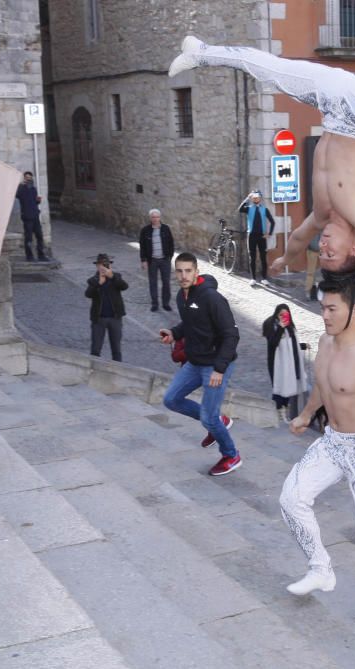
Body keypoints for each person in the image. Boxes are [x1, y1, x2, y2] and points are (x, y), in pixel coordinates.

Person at [171, 39, 355, 369]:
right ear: (353, 250)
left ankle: (200, 52)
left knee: (270, 70)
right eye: (331, 252)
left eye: (323, 254)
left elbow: (297, 239)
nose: (324, 247)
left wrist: (283, 261)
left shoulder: (322, 214)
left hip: (330, 103)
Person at [279, 278, 355, 624]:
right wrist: (305, 414)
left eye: (333, 309)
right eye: (323, 307)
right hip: (333, 442)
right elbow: (324, 384)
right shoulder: (324, 342)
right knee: (291, 498)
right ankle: (321, 568)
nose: (325, 315)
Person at [160, 253, 241, 477]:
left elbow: (231, 335)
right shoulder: (182, 297)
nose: (183, 275)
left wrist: (219, 369)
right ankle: (220, 421)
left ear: (196, 271)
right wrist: (174, 333)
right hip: (195, 362)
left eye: (188, 271)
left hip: (215, 365)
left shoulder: (212, 298)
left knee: (208, 417)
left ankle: (231, 454)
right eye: (179, 271)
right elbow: (189, 324)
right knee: (171, 399)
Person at [263, 303, 307, 425]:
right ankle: (278, 412)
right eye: (281, 314)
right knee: (279, 387)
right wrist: (281, 328)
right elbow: (272, 343)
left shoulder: (290, 327)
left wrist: (302, 346)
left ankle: (284, 410)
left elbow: (292, 344)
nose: (283, 316)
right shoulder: (270, 324)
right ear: (277, 314)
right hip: (277, 363)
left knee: (289, 386)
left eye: (285, 314)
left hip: (291, 363)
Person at [85, 253, 127, 362]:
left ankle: (118, 371)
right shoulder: (93, 280)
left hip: (115, 318)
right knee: (95, 350)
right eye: (101, 265)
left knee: (116, 350)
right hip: (99, 319)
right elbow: (88, 294)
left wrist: (112, 276)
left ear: (109, 265)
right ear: (97, 266)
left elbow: (124, 286)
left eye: (105, 264)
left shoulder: (116, 277)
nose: (103, 267)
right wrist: (99, 283)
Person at [139, 208, 176, 312]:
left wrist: (169, 257)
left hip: (165, 260)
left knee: (166, 282)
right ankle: (155, 304)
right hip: (152, 261)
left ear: (160, 217)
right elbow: (142, 247)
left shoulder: (165, 229)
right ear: (150, 218)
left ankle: (166, 303)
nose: (155, 219)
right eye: (153, 217)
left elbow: (171, 243)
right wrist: (143, 260)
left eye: (157, 217)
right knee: (153, 282)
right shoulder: (145, 230)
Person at [240, 190, 276, 285]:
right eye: (254, 197)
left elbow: (272, 222)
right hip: (251, 235)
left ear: (260, 198)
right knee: (252, 257)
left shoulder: (264, 209)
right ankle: (253, 278)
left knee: (263, 257)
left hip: (262, 236)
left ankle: (264, 278)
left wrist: (270, 233)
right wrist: (247, 198)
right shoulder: (248, 208)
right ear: (252, 199)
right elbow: (240, 209)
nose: (256, 199)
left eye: (257, 197)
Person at [14, 170, 47, 262]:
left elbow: (34, 202)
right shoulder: (21, 189)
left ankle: (41, 255)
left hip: (35, 216)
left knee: (39, 236)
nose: (28, 179)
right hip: (27, 216)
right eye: (27, 178)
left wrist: (38, 201)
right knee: (28, 237)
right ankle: (29, 256)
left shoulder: (33, 189)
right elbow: (17, 195)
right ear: (24, 178)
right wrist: (21, 185)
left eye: (30, 178)